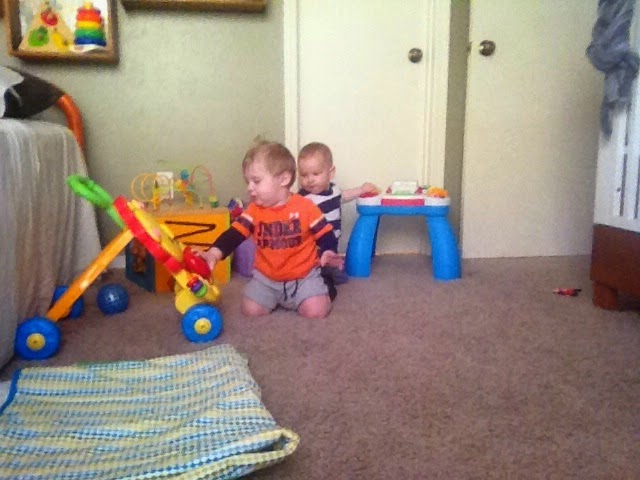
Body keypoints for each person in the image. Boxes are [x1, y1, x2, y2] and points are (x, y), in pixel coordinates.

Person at [200, 141, 343, 319]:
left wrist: (329, 250)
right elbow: (234, 234)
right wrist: (214, 253)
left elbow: (325, 233)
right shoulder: (254, 210)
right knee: (250, 310)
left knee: (316, 311)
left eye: (256, 181)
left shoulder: (306, 207)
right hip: (266, 279)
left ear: (284, 179)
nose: (249, 187)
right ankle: (277, 297)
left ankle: (323, 288)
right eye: (248, 182)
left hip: (304, 277)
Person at [297, 142, 377, 289]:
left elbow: (345, 196)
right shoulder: (302, 198)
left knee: (332, 262)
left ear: (331, 173)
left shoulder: (335, 191)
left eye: (316, 174)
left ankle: (329, 270)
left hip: (332, 240)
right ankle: (314, 277)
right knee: (312, 269)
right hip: (312, 244)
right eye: (304, 175)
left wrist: (361, 189)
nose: (310, 179)